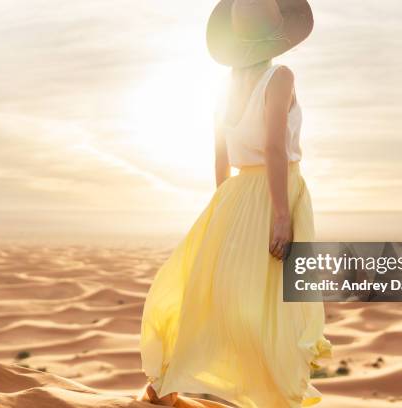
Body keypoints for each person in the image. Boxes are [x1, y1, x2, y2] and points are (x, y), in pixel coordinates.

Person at [138, 0, 332, 406]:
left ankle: (169, 380)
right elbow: (274, 148)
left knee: (214, 293)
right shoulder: (281, 76)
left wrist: (223, 207)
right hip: (276, 191)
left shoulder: (222, 87)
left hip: (234, 194)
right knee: (271, 302)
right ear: (278, 36)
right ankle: (271, 395)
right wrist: (280, 214)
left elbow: (219, 155)